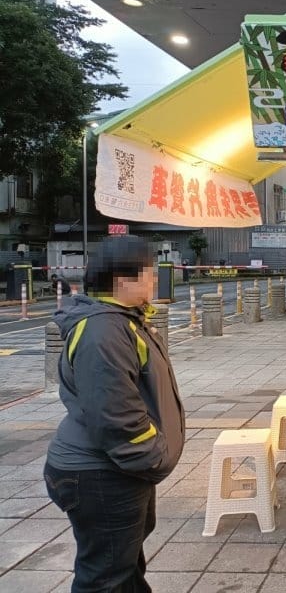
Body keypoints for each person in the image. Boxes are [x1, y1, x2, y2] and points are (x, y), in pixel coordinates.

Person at [44, 236, 185, 592]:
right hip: (101, 474)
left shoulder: (122, 321)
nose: (155, 280)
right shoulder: (103, 331)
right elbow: (115, 415)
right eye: (149, 273)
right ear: (124, 281)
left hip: (116, 469)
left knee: (123, 569)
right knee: (106, 578)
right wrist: (151, 456)